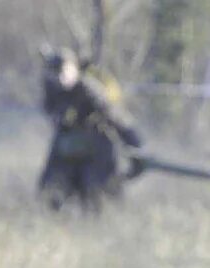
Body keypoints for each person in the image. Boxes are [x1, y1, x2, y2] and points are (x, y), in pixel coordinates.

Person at [37, 47, 142, 210]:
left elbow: (115, 116)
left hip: (96, 150)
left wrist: (135, 145)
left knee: (97, 199)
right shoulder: (51, 89)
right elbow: (54, 115)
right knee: (49, 194)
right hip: (66, 150)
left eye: (64, 70)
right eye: (55, 71)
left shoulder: (88, 89)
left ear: (75, 69)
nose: (59, 76)